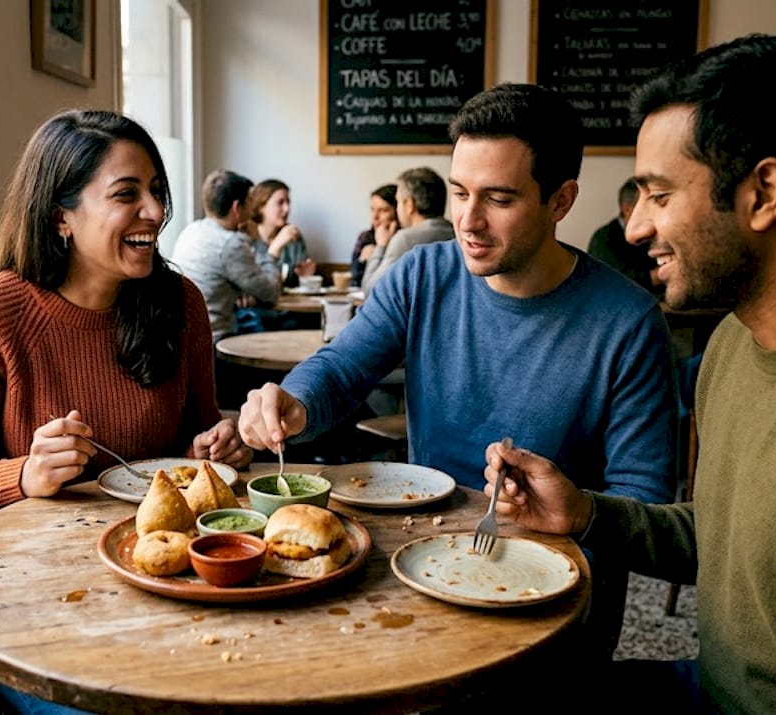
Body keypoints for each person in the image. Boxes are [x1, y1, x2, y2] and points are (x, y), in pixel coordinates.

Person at [484, 35, 776, 714]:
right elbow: (721, 536)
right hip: (708, 686)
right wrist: (585, 511)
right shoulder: (734, 343)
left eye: (657, 194)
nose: (632, 229)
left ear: (765, 192)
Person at [237, 83, 678, 657]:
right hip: (422, 565)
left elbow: (645, 500)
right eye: (459, 192)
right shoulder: (422, 275)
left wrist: (578, 510)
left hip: (554, 604)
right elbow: (342, 369)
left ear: (561, 201)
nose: (467, 221)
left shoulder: (629, 321)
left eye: (498, 199)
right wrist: (294, 401)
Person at [0, 110, 254, 714]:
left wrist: (219, 446)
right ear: (60, 217)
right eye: (127, 194)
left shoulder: (180, 302)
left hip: (159, 583)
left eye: (156, 191)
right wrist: (20, 475)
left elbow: (199, 432)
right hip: (36, 602)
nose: (154, 211)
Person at [171, 169, 282, 342]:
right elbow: (271, 293)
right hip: (214, 341)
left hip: (181, 338)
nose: (252, 210)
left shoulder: (191, 231)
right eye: (250, 202)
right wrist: (267, 247)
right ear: (237, 208)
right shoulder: (230, 244)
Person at [359, 166, 455, 296]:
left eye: (398, 202)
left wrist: (380, 247)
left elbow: (371, 291)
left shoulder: (405, 238)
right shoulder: (455, 233)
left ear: (409, 205)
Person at [588, 177, 659, 293]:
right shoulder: (603, 238)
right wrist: (657, 276)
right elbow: (611, 282)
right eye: (648, 206)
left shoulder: (655, 232)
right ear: (627, 209)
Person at [246, 178, 316, 283]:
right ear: (261, 206)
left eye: (288, 202)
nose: (287, 209)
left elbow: (295, 281)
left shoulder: (293, 236)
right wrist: (277, 245)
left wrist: (304, 278)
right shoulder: (245, 237)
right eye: (280, 203)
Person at [350, 183, 399, 287]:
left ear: (398, 211)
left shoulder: (406, 239)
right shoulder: (365, 237)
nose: (375, 216)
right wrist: (361, 262)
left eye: (383, 210)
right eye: (372, 209)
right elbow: (354, 281)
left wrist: (382, 249)